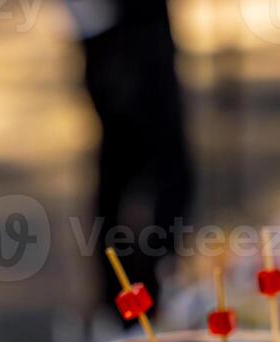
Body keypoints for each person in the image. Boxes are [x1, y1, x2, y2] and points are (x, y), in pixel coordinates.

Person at [68, 0, 194, 312]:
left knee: (160, 168)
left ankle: (150, 288)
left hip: (136, 26)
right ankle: (130, 300)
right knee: (132, 169)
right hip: (114, 34)